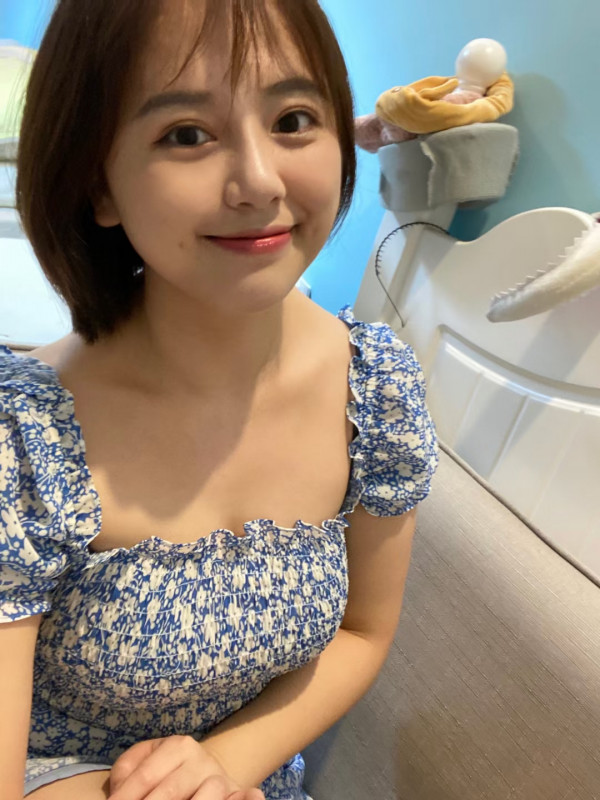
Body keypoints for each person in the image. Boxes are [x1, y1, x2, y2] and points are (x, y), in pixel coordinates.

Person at [0, 1, 439, 798]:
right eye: (186, 134)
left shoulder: (377, 392)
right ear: (98, 183)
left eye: (294, 119)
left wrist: (229, 763)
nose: (260, 182)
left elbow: (364, 632)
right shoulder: (23, 437)